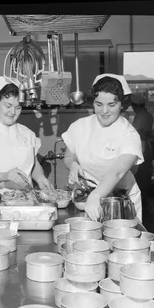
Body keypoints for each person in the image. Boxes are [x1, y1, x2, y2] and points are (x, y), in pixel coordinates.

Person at [62, 73, 144, 222]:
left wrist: (96, 195)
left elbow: (117, 173)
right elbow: (69, 155)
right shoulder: (80, 126)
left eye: (112, 105)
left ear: (122, 105)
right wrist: (72, 164)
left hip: (119, 201)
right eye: (99, 104)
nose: (104, 111)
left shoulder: (129, 134)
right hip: (85, 196)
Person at [0, 76, 53, 191]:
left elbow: (34, 165)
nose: (13, 112)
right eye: (8, 106)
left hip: (26, 200)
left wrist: (41, 178)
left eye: (18, 107)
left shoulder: (27, 133)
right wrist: (4, 178)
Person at [130, 93, 154, 213]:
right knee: (144, 174)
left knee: (142, 175)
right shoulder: (146, 115)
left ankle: (143, 202)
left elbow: (135, 133)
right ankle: (144, 201)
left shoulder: (142, 117)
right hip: (144, 147)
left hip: (143, 148)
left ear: (136, 106)